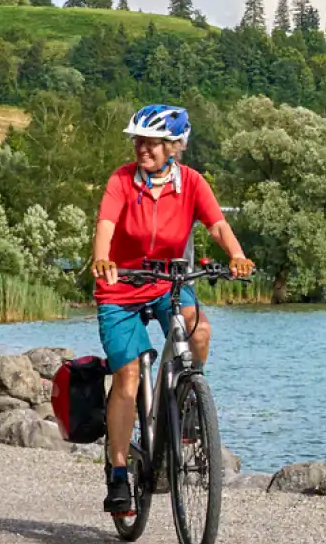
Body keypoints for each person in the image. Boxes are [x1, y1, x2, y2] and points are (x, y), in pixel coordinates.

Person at [89, 105, 253, 513]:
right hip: (121, 284)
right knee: (127, 377)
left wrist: (236, 254)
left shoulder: (192, 183)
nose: (142, 148)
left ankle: (185, 405)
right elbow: (106, 223)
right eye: (138, 141)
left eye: (152, 142)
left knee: (199, 331)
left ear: (174, 147)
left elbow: (216, 224)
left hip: (168, 282)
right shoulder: (122, 181)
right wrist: (102, 258)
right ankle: (119, 472)